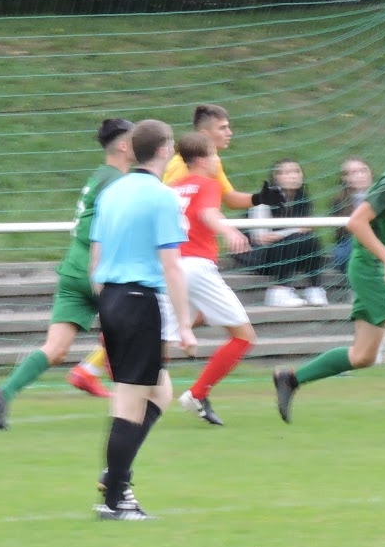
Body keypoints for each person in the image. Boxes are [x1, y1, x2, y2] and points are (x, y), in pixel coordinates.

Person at [65, 102, 282, 390]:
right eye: (223, 128)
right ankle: (127, 372)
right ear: (204, 134)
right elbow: (178, 205)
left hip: (182, 257)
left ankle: (98, 368)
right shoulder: (179, 168)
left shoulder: (206, 164)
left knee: (185, 319)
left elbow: (226, 197)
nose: (229, 132)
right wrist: (226, 230)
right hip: (174, 255)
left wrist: (258, 198)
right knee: (171, 325)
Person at [272, 119, 385, 442]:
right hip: (370, 270)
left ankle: (290, 379)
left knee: (363, 356)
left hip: (373, 267)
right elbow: (356, 222)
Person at [0, 117, 134, 429]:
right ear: (123, 145)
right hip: (97, 267)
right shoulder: (118, 181)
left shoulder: (100, 176)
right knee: (134, 333)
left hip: (72, 268)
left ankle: (4, 393)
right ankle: (129, 413)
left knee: (55, 349)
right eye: (135, 138)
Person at [89, 119, 197, 520]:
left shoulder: (112, 192)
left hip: (112, 297)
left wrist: (105, 302)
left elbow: (95, 256)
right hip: (138, 301)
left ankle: (115, 472)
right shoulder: (162, 197)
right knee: (130, 403)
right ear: (165, 150)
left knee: (159, 391)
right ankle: (116, 498)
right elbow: (172, 265)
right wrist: (185, 325)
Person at [168, 131, 256, 426]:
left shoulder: (172, 188)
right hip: (196, 268)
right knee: (243, 336)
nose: (219, 160)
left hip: (170, 267)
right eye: (215, 155)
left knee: (171, 331)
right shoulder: (207, 184)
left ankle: (132, 381)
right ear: (204, 160)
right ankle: (197, 393)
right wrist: (229, 231)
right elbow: (207, 214)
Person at [234, 158, 330, 307]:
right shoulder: (263, 200)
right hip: (261, 257)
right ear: (276, 177)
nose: (293, 176)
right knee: (296, 236)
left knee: (311, 239)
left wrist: (297, 232)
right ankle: (279, 290)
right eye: (286, 173)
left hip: (292, 256)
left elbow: (306, 230)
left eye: (296, 171)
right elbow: (261, 238)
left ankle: (314, 288)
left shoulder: (302, 200)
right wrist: (295, 230)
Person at [330, 157, 373, 274]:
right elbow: (341, 232)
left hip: (378, 240)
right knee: (345, 256)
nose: (360, 176)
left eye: (363, 171)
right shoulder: (339, 201)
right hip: (350, 242)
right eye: (353, 173)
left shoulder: (382, 196)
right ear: (345, 178)